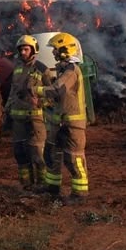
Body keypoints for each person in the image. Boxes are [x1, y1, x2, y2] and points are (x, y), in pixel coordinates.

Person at [32, 32, 89, 205]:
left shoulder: (71, 71)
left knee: (73, 158)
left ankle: (79, 194)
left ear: (65, 50)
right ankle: (52, 187)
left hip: (72, 124)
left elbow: (57, 90)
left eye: (56, 50)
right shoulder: (64, 70)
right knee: (52, 155)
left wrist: (37, 90)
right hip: (60, 122)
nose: (53, 53)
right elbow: (59, 98)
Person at [6, 35, 53, 191]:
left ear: (33, 50)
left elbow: (52, 96)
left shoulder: (42, 69)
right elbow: (12, 92)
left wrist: (40, 102)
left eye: (26, 49)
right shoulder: (17, 69)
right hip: (18, 120)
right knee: (20, 153)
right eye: (21, 50)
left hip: (35, 119)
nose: (23, 52)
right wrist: (7, 110)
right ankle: (26, 185)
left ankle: (42, 185)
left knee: (37, 154)